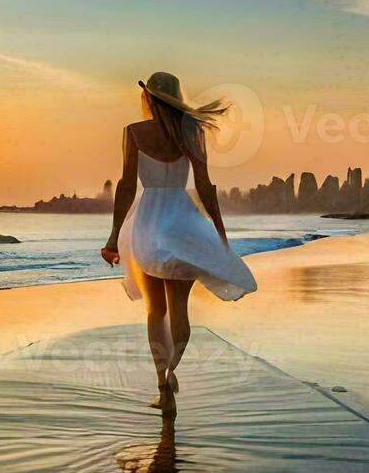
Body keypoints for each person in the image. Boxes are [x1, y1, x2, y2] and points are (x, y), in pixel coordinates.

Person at [101, 72, 257, 412]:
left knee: (155, 311)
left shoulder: (134, 132)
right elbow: (204, 185)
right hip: (183, 223)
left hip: (146, 222)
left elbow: (127, 186)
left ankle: (162, 386)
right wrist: (219, 232)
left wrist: (114, 236)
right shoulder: (192, 132)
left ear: (150, 98)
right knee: (179, 311)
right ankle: (172, 369)